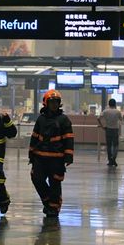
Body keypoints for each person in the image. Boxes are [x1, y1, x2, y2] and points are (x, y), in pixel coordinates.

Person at [29, 90, 74, 218]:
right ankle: (48, 201)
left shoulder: (64, 120)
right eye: (52, 102)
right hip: (40, 156)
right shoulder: (41, 119)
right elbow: (35, 137)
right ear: (46, 103)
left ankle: (54, 207)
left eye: (56, 102)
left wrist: (69, 156)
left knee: (55, 183)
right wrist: (31, 153)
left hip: (57, 158)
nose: (54, 104)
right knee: (36, 179)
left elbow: (69, 138)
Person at [98, 98, 123, 167]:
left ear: (109, 104)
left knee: (109, 145)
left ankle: (110, 160)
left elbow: (98, 118)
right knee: (115, 145)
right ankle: (114, 159)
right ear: (115, 104)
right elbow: (121, 119)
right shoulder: (118, 112)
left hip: (108, 129)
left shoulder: (105, 111)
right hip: (115, 130)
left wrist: (102, 126)